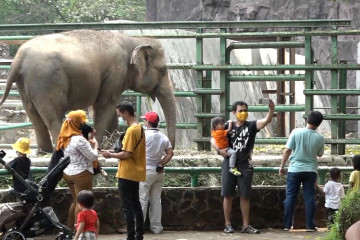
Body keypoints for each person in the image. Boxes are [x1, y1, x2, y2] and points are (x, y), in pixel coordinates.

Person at [211, 99, 275, 234]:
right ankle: (227, 224)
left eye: (245, 111)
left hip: (245, 164)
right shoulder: (227, 125)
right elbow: (212, 138)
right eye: (240, 111)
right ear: (234, 112)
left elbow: (266, 121)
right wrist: (219, 150)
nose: (243, 113)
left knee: (244, 196)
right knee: (227, 195)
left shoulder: (251, 125)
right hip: (229, 163)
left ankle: (246, 225)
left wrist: (271, 110)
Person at [101, 101, 146, 240]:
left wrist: (110, 155)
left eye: (120, 115)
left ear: (126, 113)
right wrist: (111, 151)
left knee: (127, 205)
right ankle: (139, 234)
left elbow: (127, 154)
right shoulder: (140, 128)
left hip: (127, 172)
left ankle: (131, 235)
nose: (120, 117)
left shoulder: (132, 130)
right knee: (136, 203)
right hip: (136, 171)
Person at [279, 110, 325, 232]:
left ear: (307, 119)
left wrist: (282, 166)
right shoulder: (320, 138)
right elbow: (320, 154)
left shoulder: (296, 132)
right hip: (311, 170)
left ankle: (287, 225)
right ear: (319, 124)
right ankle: (310, 226)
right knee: (309, 197)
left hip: (294, 169)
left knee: (290, 197)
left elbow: (287, 150)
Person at [57, 110, 99, 229]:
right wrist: (95, 144)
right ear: (76, 124)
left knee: (76, 202)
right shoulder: (78, 139)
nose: (82, 125)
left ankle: (70, 229)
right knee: (82, 204)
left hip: (68, 172)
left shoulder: (64, 137)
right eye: (81, 122)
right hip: (81, 174)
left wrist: (88, 139)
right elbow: (93, 156)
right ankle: (78, 231)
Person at [139, 111, 174, 234]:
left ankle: (139, 227)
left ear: (148, 122)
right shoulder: (163, 137)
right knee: (156, 200)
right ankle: (156, 227)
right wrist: (161, 163)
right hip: (158, 171)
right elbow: (170, 153)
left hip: (145, 171)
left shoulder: (143, 135)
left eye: (145, 120)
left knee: (142, 199)